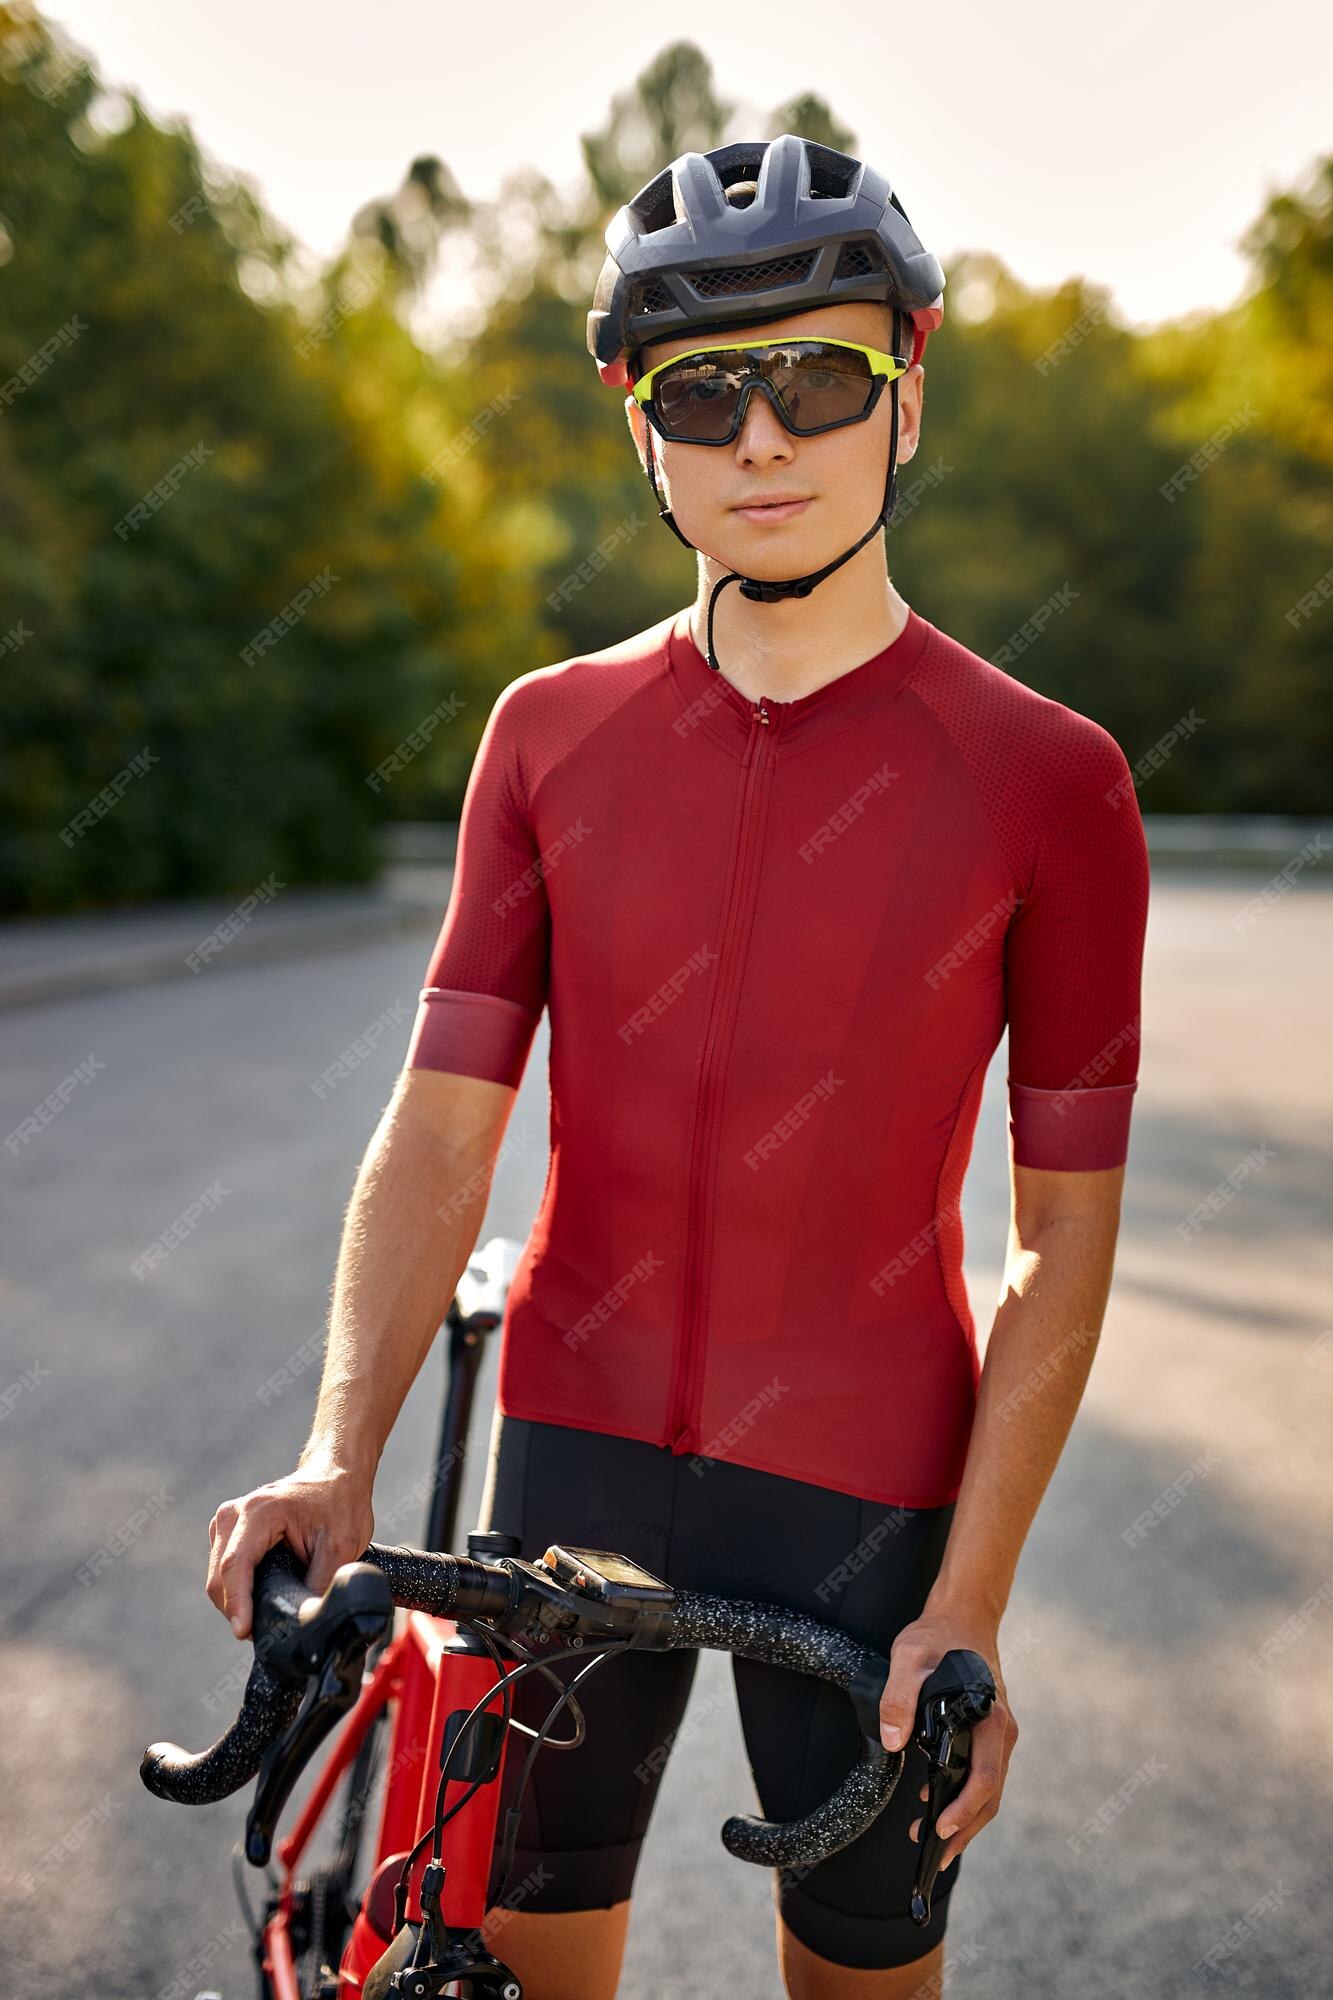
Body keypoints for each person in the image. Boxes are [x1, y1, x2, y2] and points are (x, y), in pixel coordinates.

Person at [206, 134, 1150, 1999]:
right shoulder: (547, 736)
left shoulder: (1051, 780)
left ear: (909, 383)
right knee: (524, 1967)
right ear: (641, 426)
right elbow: (444, 1127)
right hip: (574, 1458)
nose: (763, 441)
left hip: (871, 1494)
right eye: (704, 393)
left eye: (818, 379)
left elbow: (1059, 1238)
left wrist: (968, 1600)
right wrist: (338, 1453)